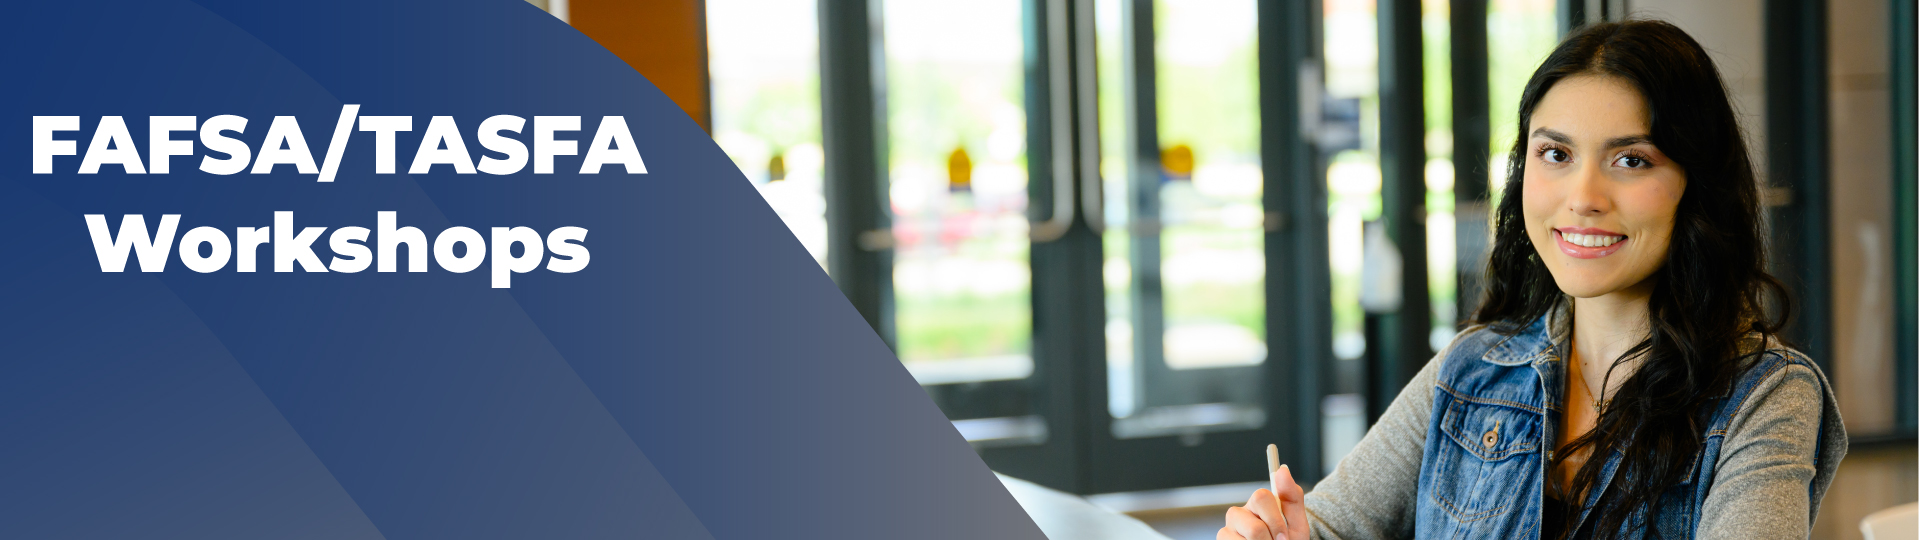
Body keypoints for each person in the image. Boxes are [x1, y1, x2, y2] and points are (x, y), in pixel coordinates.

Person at [1220, 19, 1847, 540]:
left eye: (1631, 160)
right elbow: (1332, 525)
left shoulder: (1765, 396)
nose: (1584, 198)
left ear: (1696, 187)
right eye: (1556, 154)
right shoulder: (1473, 367)